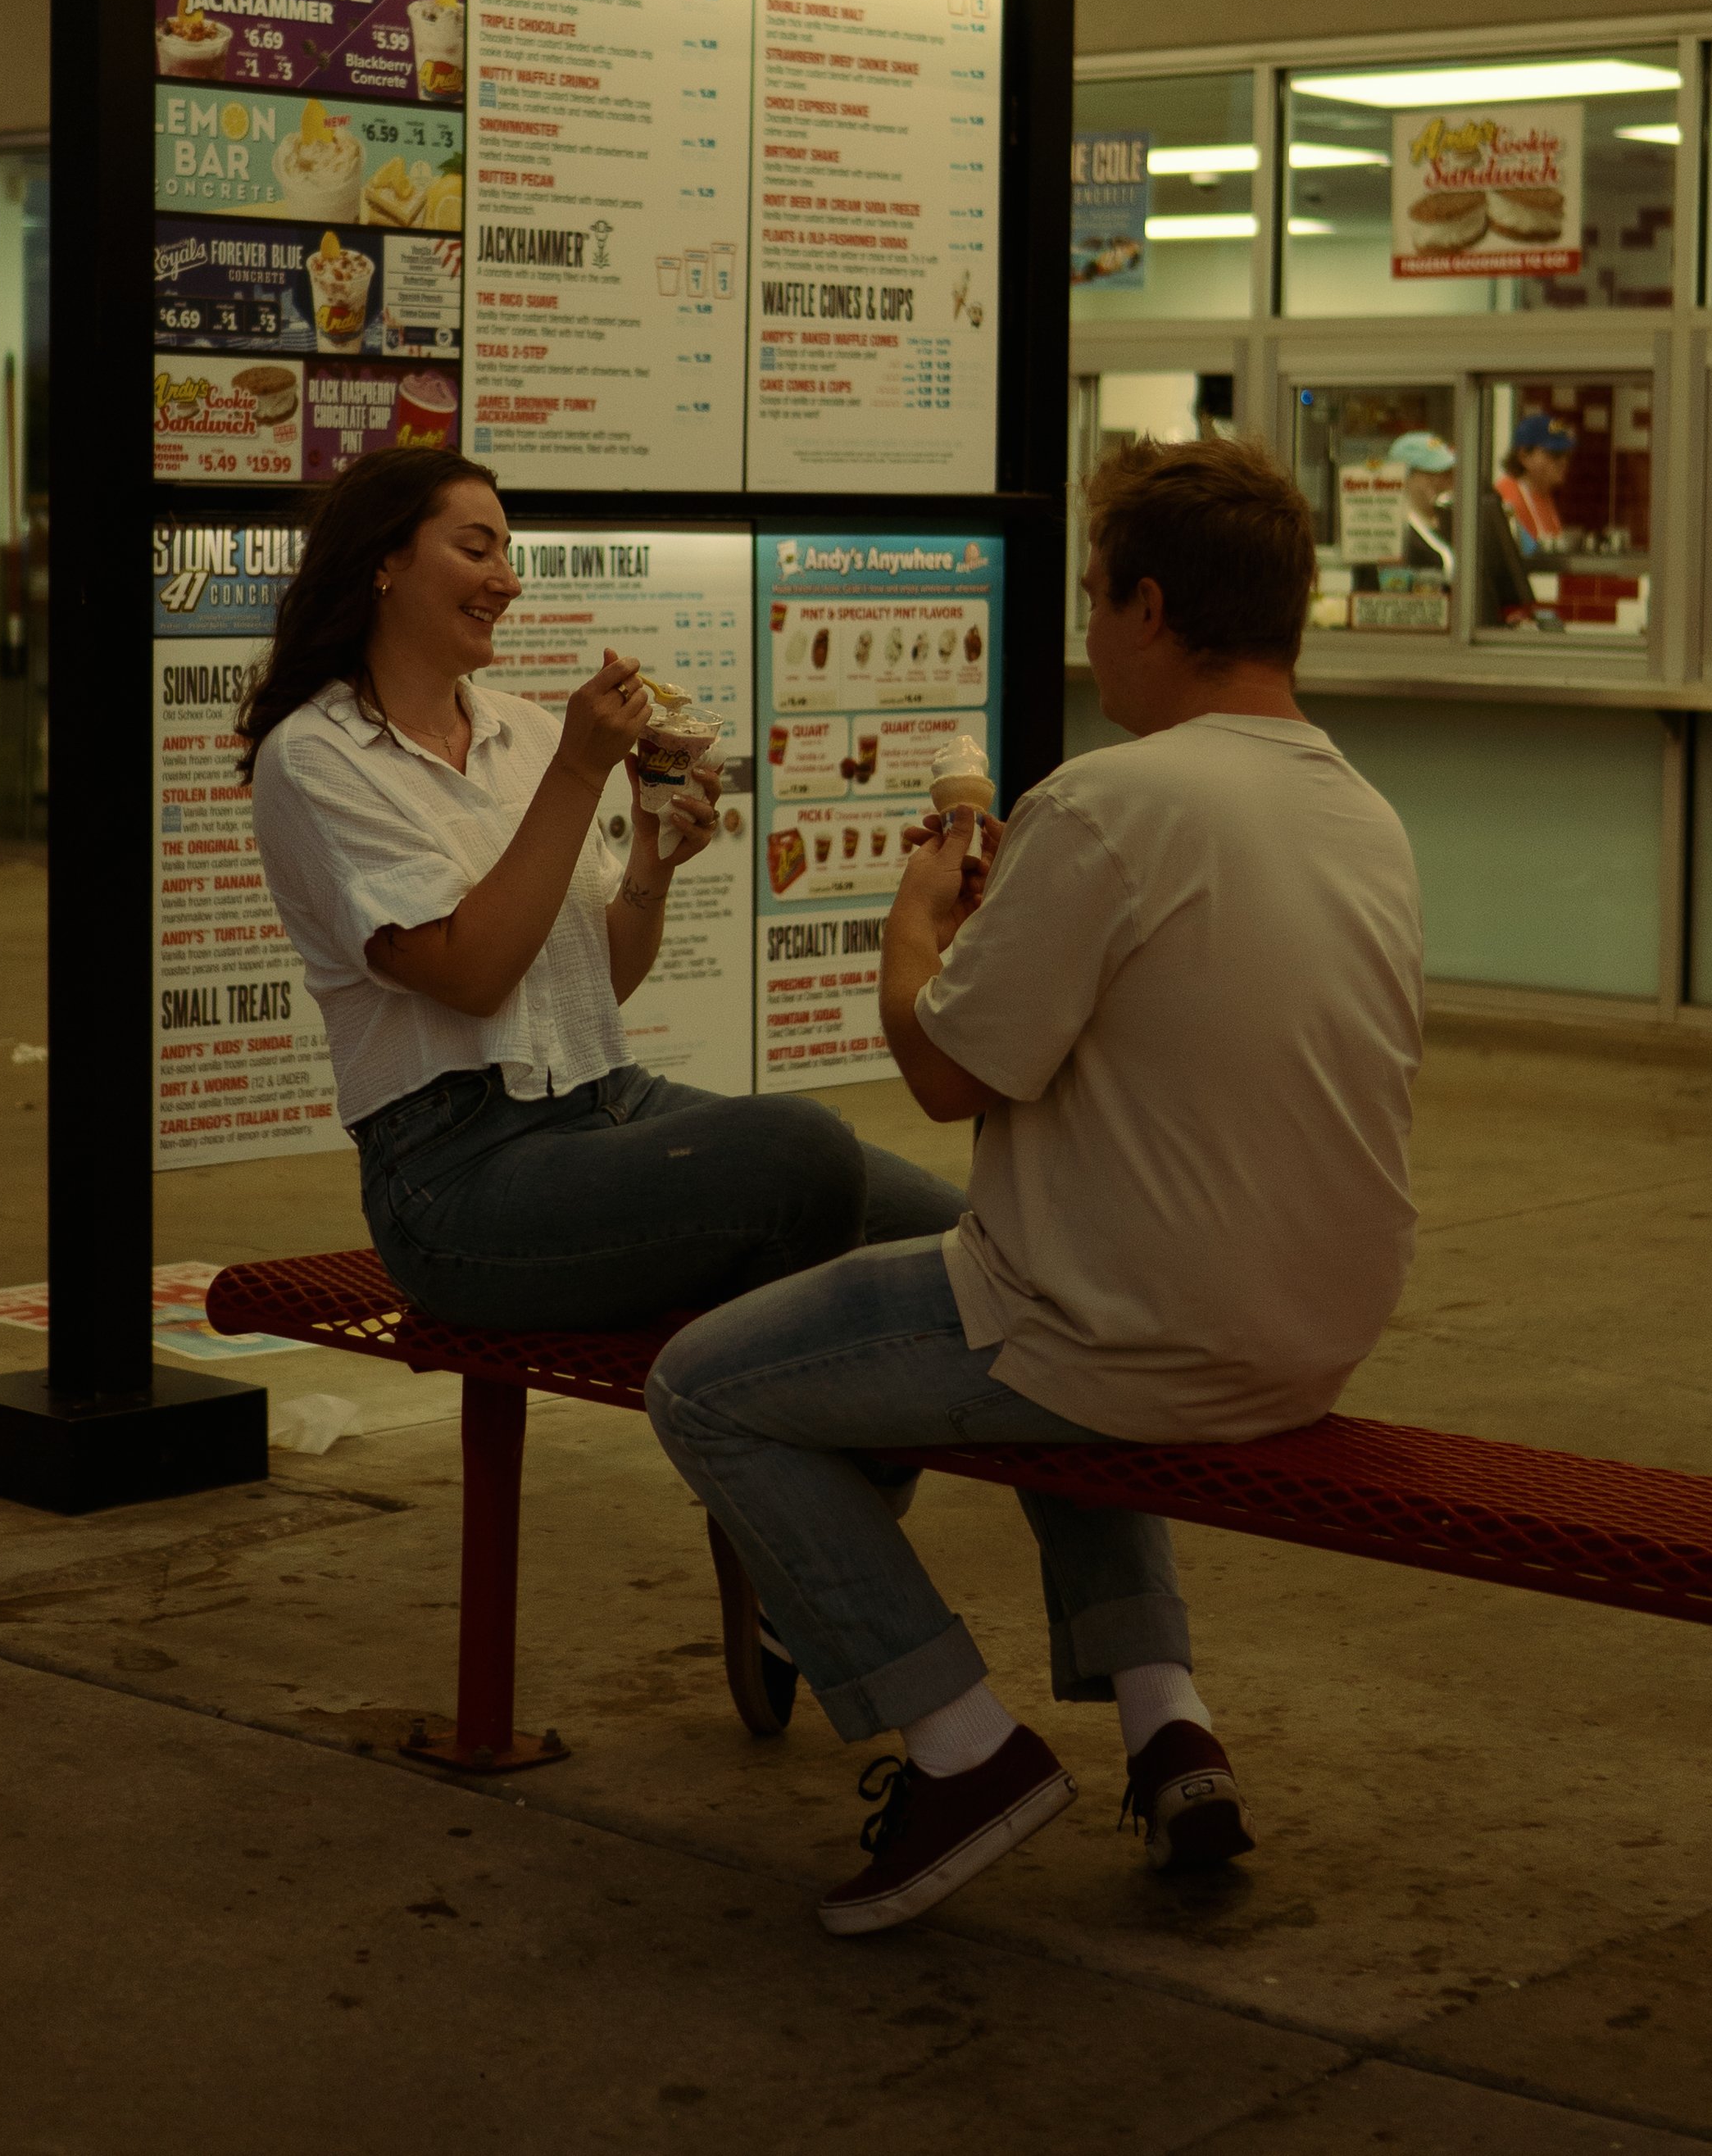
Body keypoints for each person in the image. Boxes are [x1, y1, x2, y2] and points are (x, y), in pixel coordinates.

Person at [647, 435, 1424, 1937]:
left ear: (1146, 604)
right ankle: (1165, 1718)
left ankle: (959, 1746)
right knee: (1033, 1290)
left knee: (705, 1389)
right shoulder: (1364, 813)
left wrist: (918, 927)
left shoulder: (1109, 802)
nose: (1087, 629)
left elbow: (947, 1073)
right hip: (1315, 1328)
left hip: (1132, 1326)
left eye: (1089, 595)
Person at [244, 444, 962, 1724]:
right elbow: (468, 976)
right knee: (801, 1158)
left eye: (508, 550)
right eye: (475, 546)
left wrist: (655, 867)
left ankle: (793, 1538)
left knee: (961, 1241)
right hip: (456, 1177)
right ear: (385, 563)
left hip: (605, 1106)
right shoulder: (315, 759)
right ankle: (794, 1528)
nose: (505, 580)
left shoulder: (519, 728)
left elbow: (592, 981)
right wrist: (581, 776)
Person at [1496, 410, 1573, 548]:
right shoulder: (1506, 498)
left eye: (1566, 455)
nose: (1563, 462)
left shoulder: (1543, 494)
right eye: (1555, 454)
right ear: (1524, 456)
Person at [1388, 429, 1455, 580]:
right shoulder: (1398, 531)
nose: (1443, 480)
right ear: (1405, 475)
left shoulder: (1450, 517)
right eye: (1432, 473)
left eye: (1447, 472)